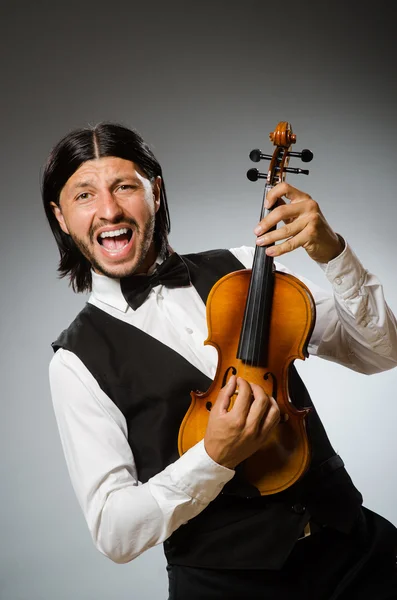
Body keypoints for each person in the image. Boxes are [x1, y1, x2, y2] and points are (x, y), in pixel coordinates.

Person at [43, 121, 397, 600]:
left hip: (358, 554)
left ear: (156, 192)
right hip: (227, 587)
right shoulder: (75, 361)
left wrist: (331, 252)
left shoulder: (245, 269)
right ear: (61, 217)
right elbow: (114, 532)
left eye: (125, 186)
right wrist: (212, 458)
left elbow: (380, 351)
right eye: (84, 195)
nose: (108, 210)